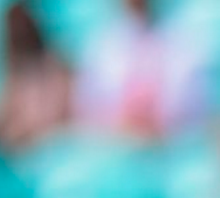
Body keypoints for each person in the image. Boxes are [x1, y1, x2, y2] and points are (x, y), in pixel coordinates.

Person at [75, 0, 209, 140]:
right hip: (114, 143)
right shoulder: (103, 41)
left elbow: (195, 110)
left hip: (171, 145)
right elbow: (87, 108)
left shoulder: (186, 39)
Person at [0, 2, 73, 154]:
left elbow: (54, 120)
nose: (18, 30)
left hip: (51, 149)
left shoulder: (55, 65)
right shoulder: (8, 71)